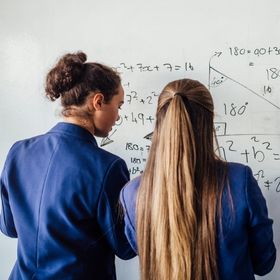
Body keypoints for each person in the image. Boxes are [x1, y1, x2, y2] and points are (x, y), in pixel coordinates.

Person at [120, 78, 276, 280]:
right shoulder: (240, 181)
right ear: (209, 123)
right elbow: (264, 263)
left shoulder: (132, 194)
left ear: (159, 123)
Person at [0, 51, 135, 279]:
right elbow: (125, 246)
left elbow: (9, 227)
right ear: (98, 101)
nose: (118, 116)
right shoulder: (107, 167)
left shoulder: (18, 152)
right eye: (118, 105)